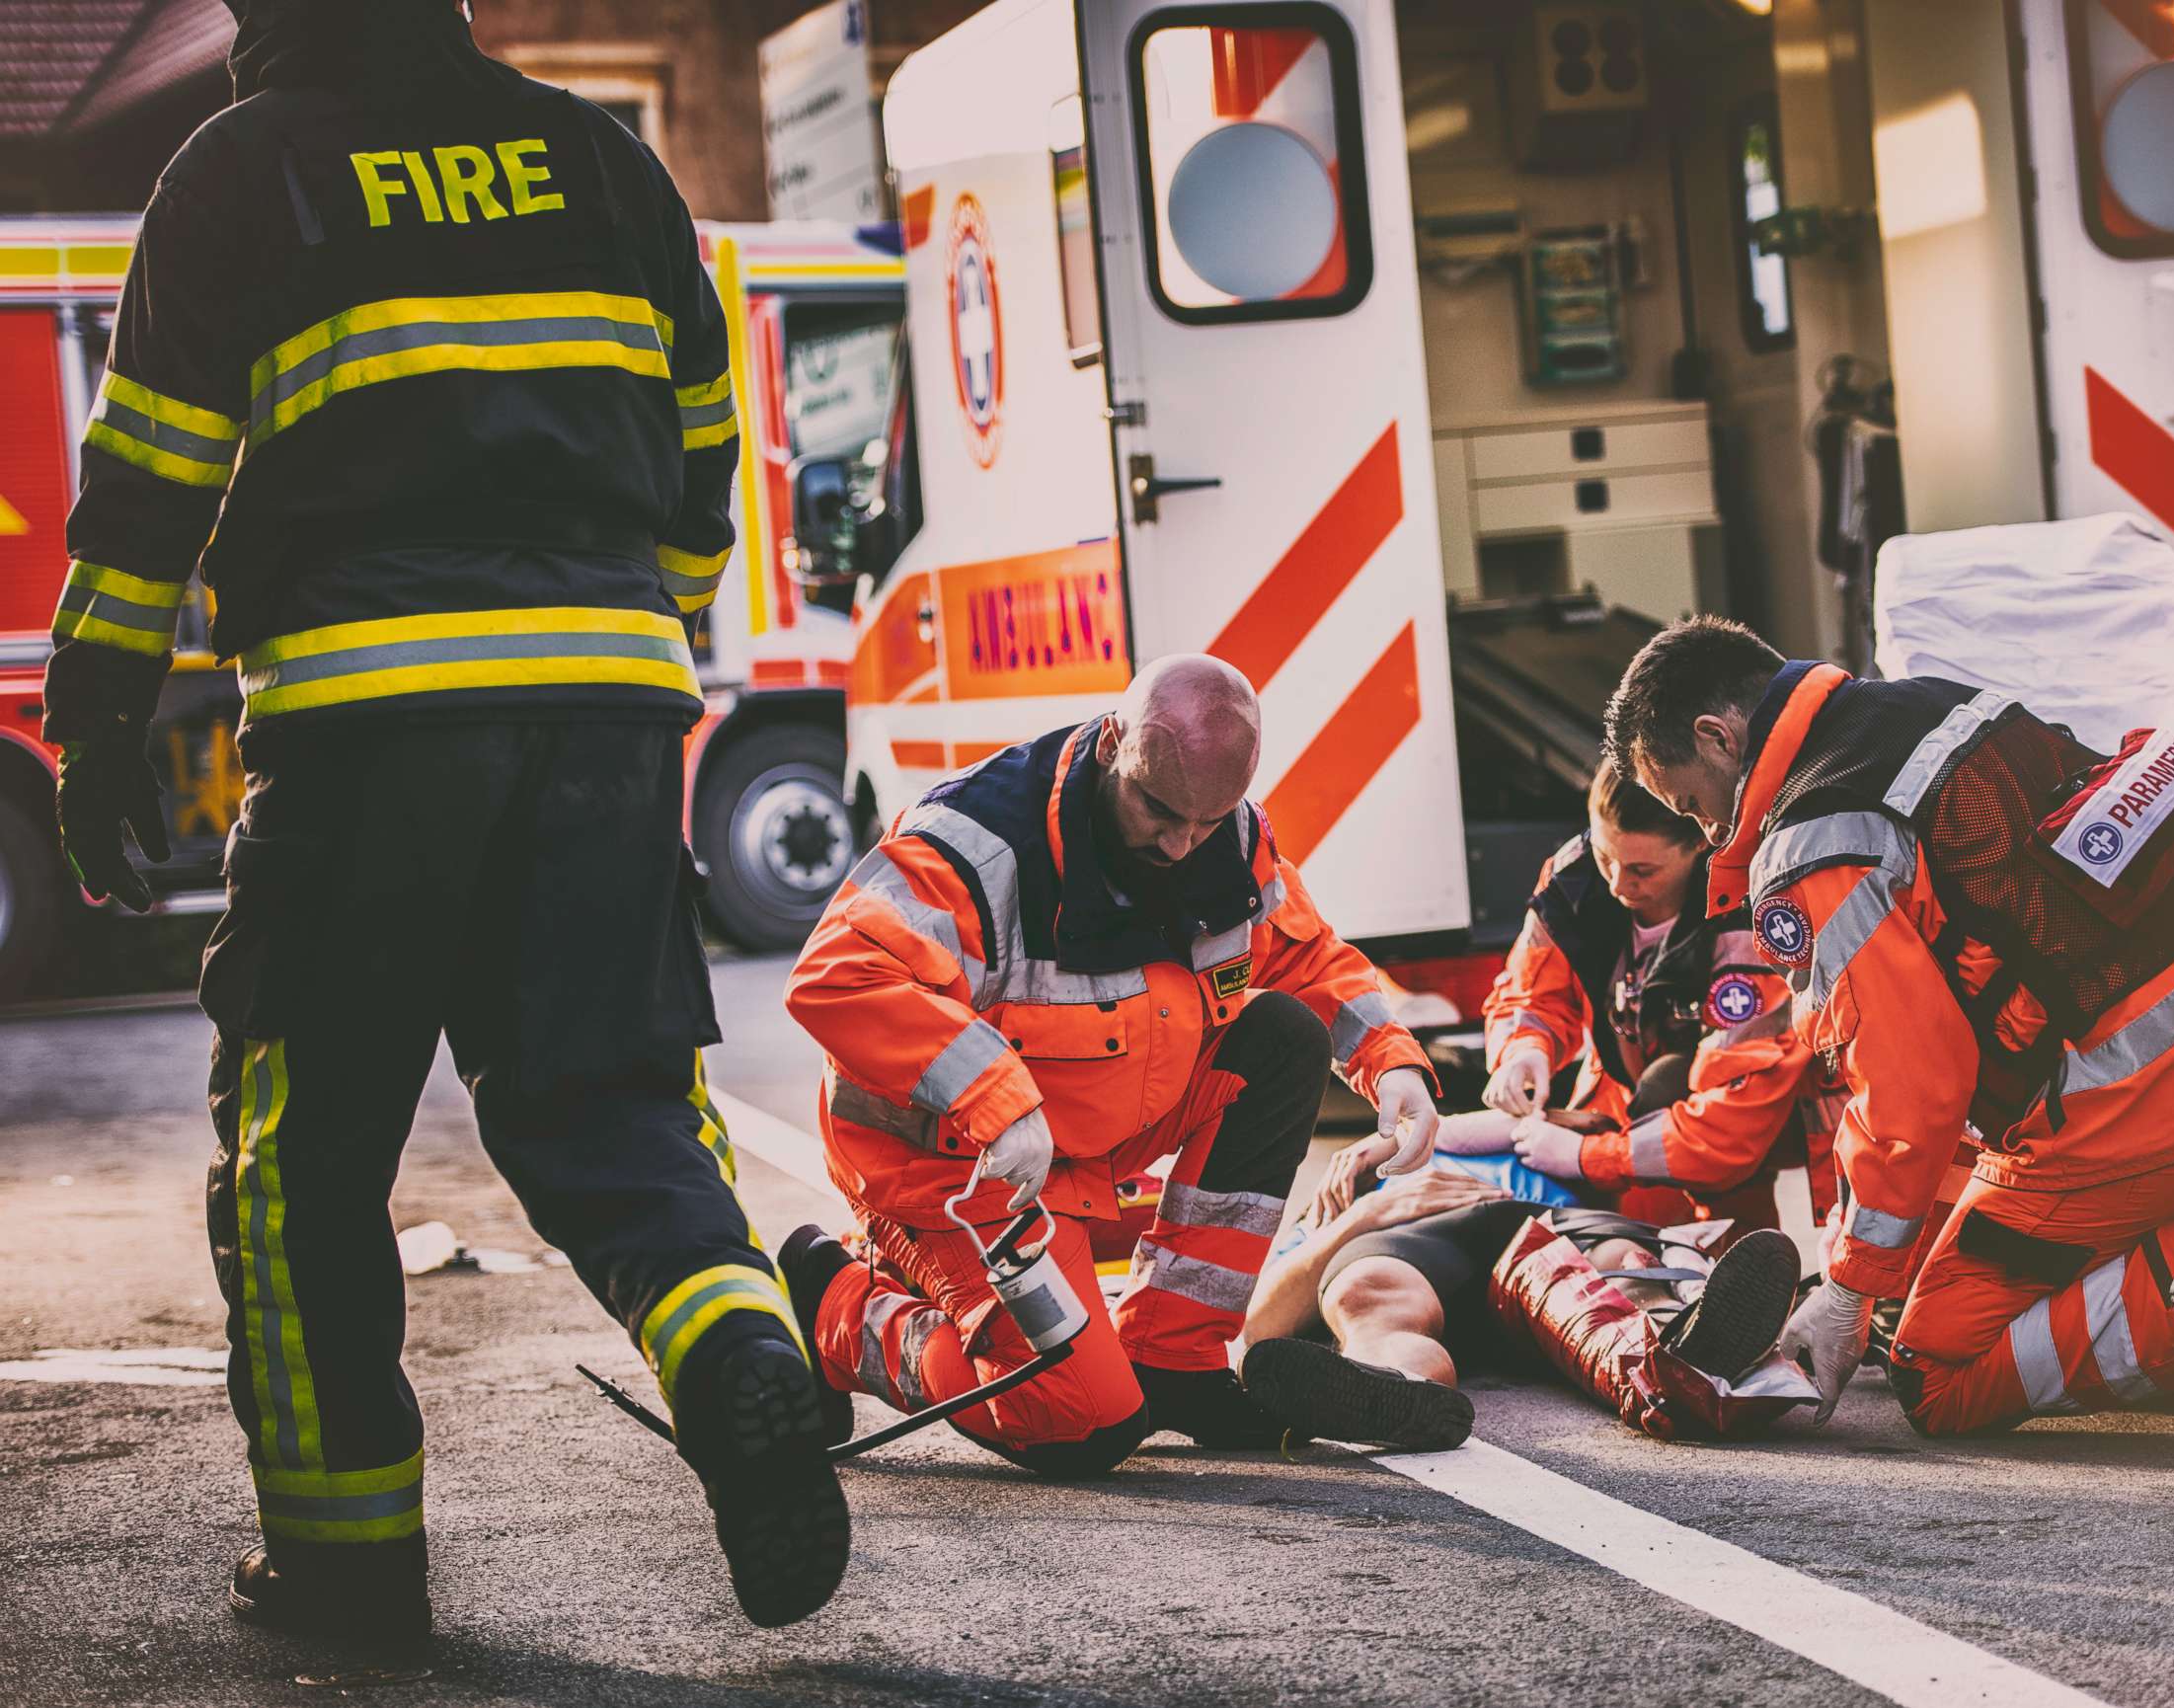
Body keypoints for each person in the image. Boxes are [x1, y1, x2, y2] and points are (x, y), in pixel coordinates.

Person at [40, 0, 847, 1640]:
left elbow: (152, 474)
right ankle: (741, 1356)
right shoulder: (603, 160)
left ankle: (346, 1560)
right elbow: (705, 452)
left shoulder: (244, 169)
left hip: (363, 732)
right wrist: (634, 644)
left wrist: (99, 712)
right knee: (614, 1109)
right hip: (605, 706)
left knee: (303, 1153)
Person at [1600, 616, 2174, 1436]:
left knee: (1937, 1370)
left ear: (1717, 735)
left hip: (2153, 1083)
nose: (1707, 834)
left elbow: (1912, 1088)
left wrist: (1846, 1291)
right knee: (1940, 1235)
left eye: (1692, 805)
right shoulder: (1935, 706)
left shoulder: (1813, 843)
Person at [778, 655, 1461, 1476]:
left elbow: (1308, 962)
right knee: (1080, 1423)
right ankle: (837, 1309)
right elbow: (834, 976)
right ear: (1111, 744)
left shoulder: (1229, 839)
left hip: (1076, 1141)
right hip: (949, 1169)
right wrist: (994, 1097)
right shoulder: (975, 846)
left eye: (1207, 821)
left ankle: (1173, 1355)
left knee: (1279, 1037)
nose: (1180, 844)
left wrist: (1394, 1068)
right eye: (1159, 810)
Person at [1475, 759, 1843, 1239]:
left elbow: (1732, 1123)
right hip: (1629, 1089)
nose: (1617, 884)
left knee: (1728, 1251)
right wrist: (1522, 1051)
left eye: (1642, 870)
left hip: (1757, 1114)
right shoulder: (1574, 880)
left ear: (1698, 842)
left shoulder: (1751, 920)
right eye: (1606, 857)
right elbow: (1530, 990)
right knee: (1625, 1250)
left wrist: (1590, 1158)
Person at [1240, 1135, 1802, 1438]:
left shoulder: (1483, 1135)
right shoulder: (1342, 1200)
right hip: (1408, 1239)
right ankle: (1395, 1392)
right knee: (1369, 1292)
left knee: (1620, 1268)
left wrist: (1389, 1140)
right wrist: (1366, 1213)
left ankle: (1682, 1350)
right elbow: (1256, 1326)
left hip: (1541, 1220)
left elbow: (1553, 1118)